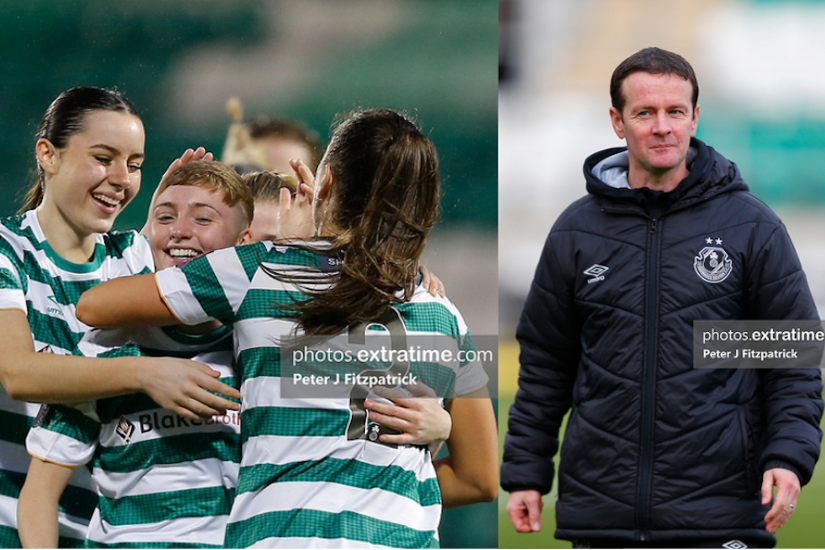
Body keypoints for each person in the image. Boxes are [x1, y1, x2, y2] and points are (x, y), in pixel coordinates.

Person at [76, 108, 498, 548]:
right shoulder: (443, 312)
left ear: (326, 185)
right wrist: (393, 484)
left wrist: (161, 225)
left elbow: (96, 306)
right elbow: (480, 479)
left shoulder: (261, 268)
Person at [501, 47, 823, 548]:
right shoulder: (575, 231)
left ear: (695, 118)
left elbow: (792, 358)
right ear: (617, 121)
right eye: (644, 113)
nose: (662, 127)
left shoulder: (750, 227)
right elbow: (547, 364)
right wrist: (526, 469)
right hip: (604, 514)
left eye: (675, 112)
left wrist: (788, 457)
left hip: (721, 512)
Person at [0, 88, 239, 548]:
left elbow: (240, 257)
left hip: (100, 534)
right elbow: (17, 372)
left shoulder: (133, 257)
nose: (121, 179)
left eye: (133, 165)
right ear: (47, 155)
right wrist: (147, 372)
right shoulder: (9, 251)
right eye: (103, 158)